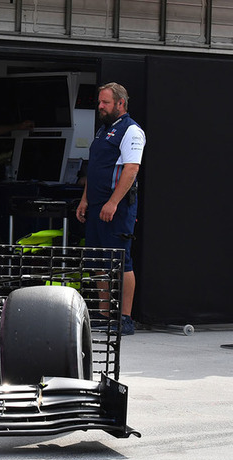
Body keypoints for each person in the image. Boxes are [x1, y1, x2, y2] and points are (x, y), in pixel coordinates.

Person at [76, 82, 145, 336]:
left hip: (117, 209)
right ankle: (106, 315)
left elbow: (131, 169)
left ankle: (125, 318)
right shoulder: (102, 131)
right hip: (95, 206)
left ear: (120, 103)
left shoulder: (132, 131)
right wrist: (85, 199)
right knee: (96, 261)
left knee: (121, 261)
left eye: (105, 102)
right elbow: (94, 168)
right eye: (99, 102)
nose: (100, 106)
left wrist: (113, 202)